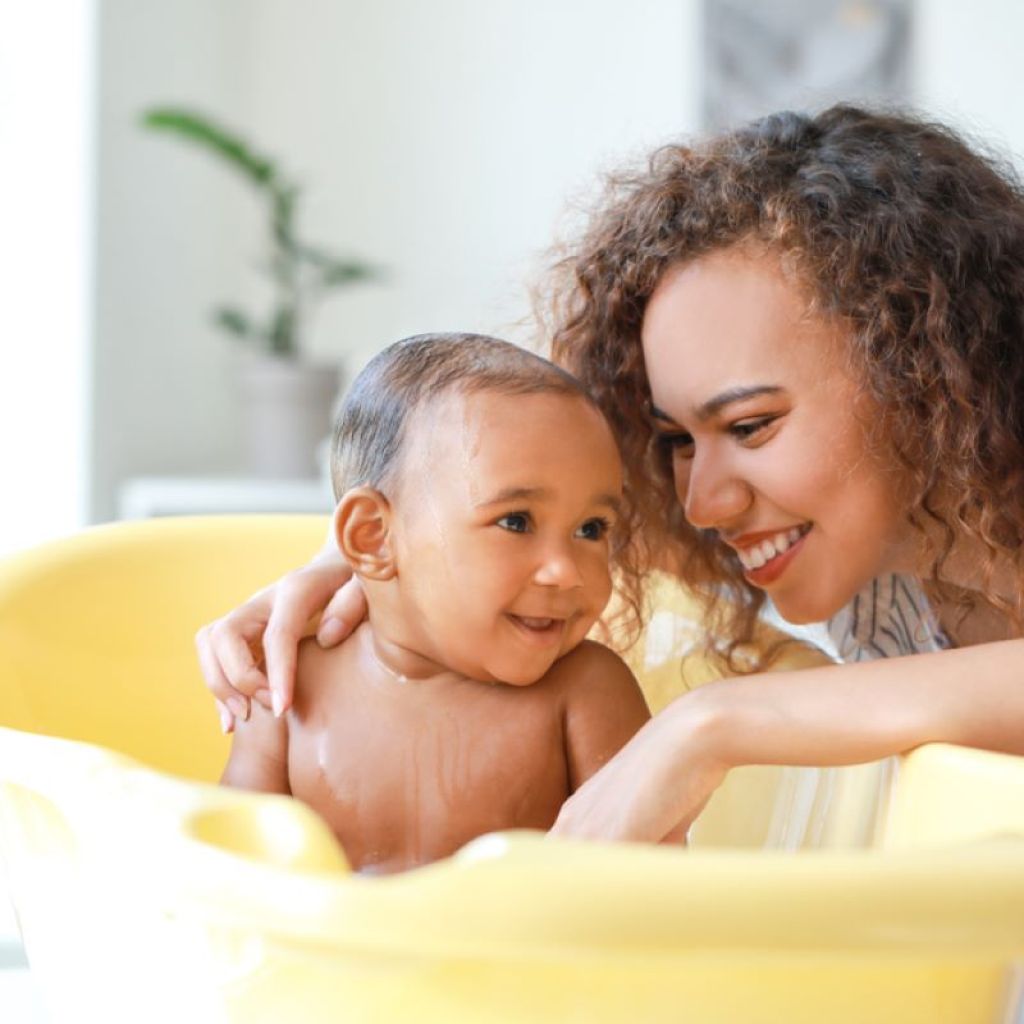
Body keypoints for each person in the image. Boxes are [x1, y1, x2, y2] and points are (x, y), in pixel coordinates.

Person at [199, 105, 1024, 846]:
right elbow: (508, 460)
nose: (702, 504)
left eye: (749, 426)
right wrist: (353, 562)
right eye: (677, 439)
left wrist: (711, 722)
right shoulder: (870, 543)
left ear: (923, 376)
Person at [220, 332, 650, 872]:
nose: (565, 571)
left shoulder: (587, 693)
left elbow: (647, 891)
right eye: (516, 522)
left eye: (592, 529)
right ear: (373, 537)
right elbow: (229, 875)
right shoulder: (287, 689)